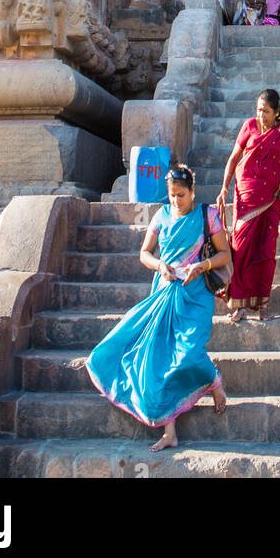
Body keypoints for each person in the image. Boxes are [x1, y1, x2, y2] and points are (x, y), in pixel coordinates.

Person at [86, 164, 230, 451]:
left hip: (196, 294)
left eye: (181, 195)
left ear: (192, 191)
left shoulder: (207, 215)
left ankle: (214, 382)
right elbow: (144, 254)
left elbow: (225, 253)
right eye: (172, 195)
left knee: (190, 351)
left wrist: (203, 265)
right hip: (164, 291)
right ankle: (170, 431)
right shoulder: (161, 216)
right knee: (159, 358)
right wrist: (160, 265)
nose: (176, 201)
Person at [216, 88, 280, 321]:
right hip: (245, 197)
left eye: (266, 111)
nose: (261, 115)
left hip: (271, 199)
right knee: (241, 248)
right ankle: (239, 305)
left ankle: (262, 305)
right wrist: (224, 187)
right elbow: (233, 158)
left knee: (266, 251)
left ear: (277, 112)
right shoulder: (249, 127)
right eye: (258, 109)